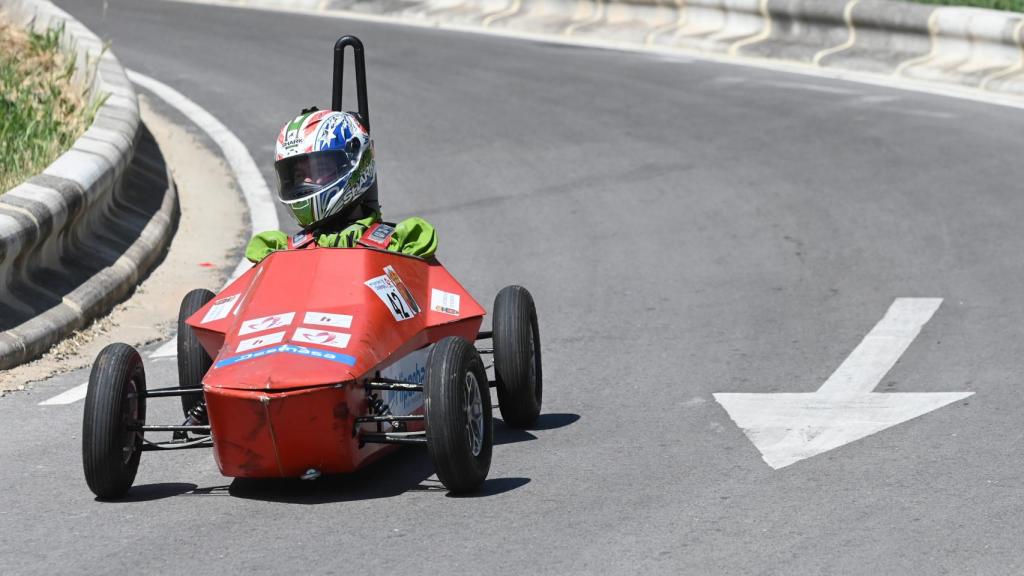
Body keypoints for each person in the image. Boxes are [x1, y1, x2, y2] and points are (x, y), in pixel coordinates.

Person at [245, 108, 437, 263]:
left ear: (354, 162)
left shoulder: (400, 246)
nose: (306, 181)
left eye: (318, 169)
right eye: (298, 175)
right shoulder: (281, 253)